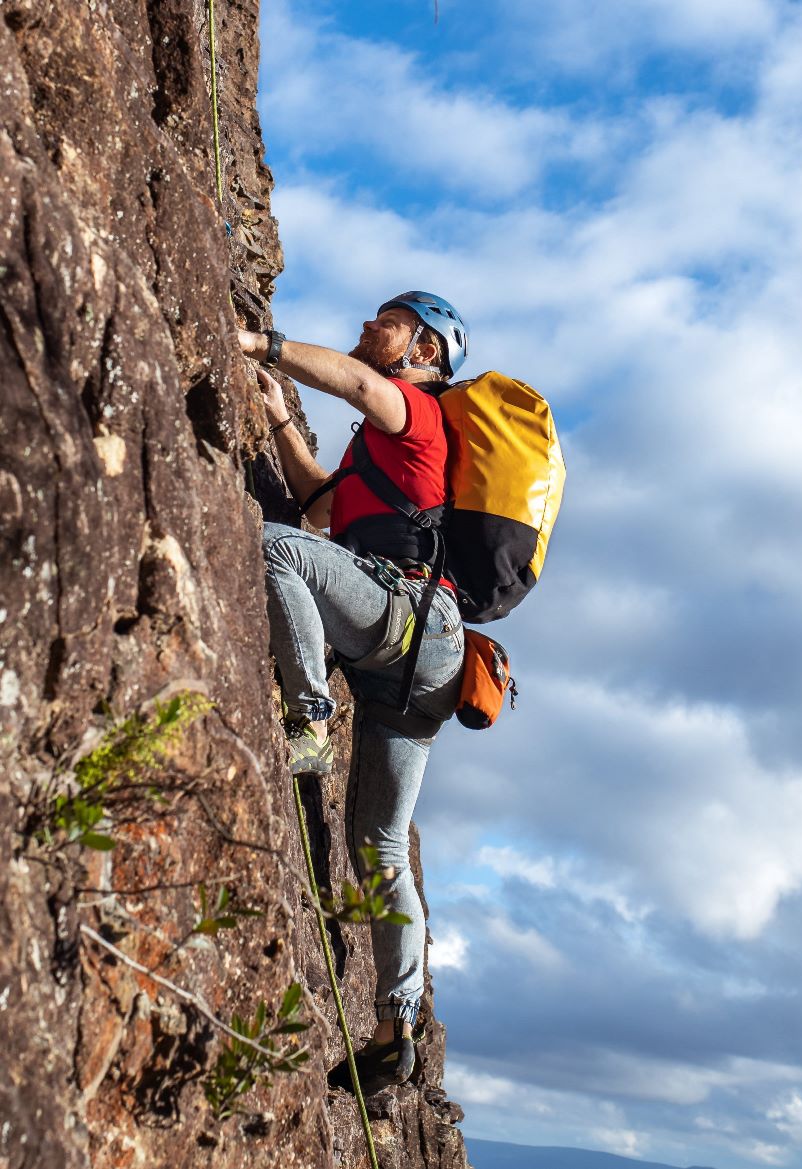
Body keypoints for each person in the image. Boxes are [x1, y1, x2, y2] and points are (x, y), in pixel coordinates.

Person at [238, 292, 469, 1094]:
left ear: (425, 354)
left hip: (406, 621)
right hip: (420, 659)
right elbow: (323, 504)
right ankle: (393, 1024)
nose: (372, 326)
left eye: (391, 321)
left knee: (275, 550)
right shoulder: (382, 453)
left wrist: (261, 342)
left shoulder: (414, 410)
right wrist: (278, 421)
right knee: (379, 843)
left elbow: (351, 382)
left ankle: (309, 719)